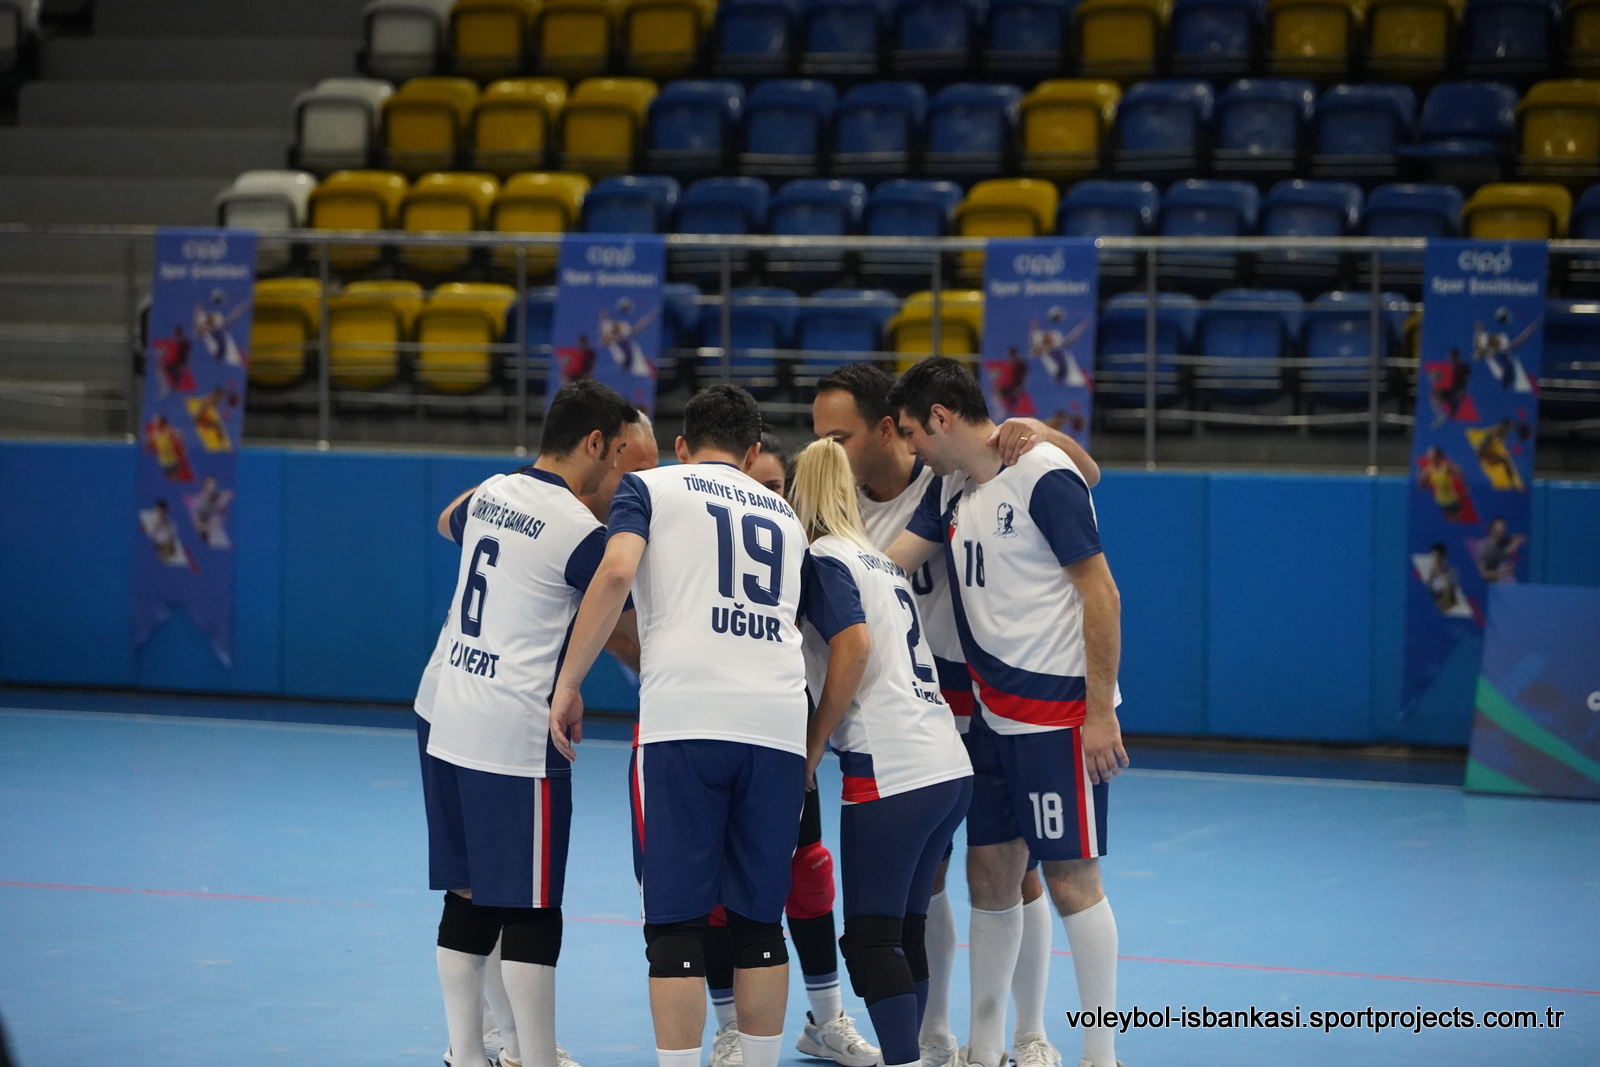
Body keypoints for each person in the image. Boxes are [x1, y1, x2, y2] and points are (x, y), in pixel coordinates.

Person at [812, 362, 1101, 1067]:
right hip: (927, 707)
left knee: (1028, 869)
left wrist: (1043, 432)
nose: (828, 450)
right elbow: (874, 577)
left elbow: (1085, 480)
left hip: (997, 695)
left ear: (894, 428)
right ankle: (937, 1032)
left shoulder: (957, 470)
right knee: (946, 874)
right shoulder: (849, 509)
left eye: (839, 437)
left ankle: (1032, 1034)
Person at [550, 385, 810, 1067]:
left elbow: (616, 573)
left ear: (683, 446)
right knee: (761, 926)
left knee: (675, 928)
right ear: (753, 453)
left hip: (687, 722)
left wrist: (569, 682)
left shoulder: (650, 487)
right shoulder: (786, 515)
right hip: (778, 726)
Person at [884, 357, 1126, 1067]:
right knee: (989, 876)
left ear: (940, 417)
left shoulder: (1042, 471)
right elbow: (887, 564)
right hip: (992, 719)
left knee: (1071, 881)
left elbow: (1102, 593)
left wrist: (1099, 713)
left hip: (1057, 717)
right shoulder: (950, 489)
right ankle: (986, 1049)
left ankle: (1100, 1055)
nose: (911, 448)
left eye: (911, 432)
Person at [414, 379, 641, 1067]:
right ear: (594, 443)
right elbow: (620, 594)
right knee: (534, 907)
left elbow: (446, 521)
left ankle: (465, 1052)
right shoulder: (579, 530)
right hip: (513, 728)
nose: (618, 471)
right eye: (618, 455)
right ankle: (533, 1057)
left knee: (467, 893)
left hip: (445, 708)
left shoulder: (493, 490)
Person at [789, 437, 974, 1067]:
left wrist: (813, 744)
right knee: (902, 930)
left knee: (871, 940)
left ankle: (905, 1060)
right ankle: (917, 1052)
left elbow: (854, 646)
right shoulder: (880, 560)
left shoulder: (823, 558)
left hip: (890, 767)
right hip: (945, 762)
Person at [702, 427, 877, 1067]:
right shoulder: (702, 551)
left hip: (782, 725)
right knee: (717, 880)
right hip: (711, 723)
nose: (763, 499)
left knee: (806, 870)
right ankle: (729, 1028)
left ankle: (826, 1020)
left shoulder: (804, 558)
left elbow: (853, 640)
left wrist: (815, 739)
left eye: (776, 488)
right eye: (754, 486)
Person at [1475, 518, 1525, 584]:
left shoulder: (1505, 542)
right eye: (1498, 529)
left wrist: (1514, 544)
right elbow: (1484, 574)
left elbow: (1520, 538)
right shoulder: (1483, 546)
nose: (1501, 531)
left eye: (1502, 530)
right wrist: (1502, 572)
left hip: (1511, 583)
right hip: (1496, 585)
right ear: (1491, 529)